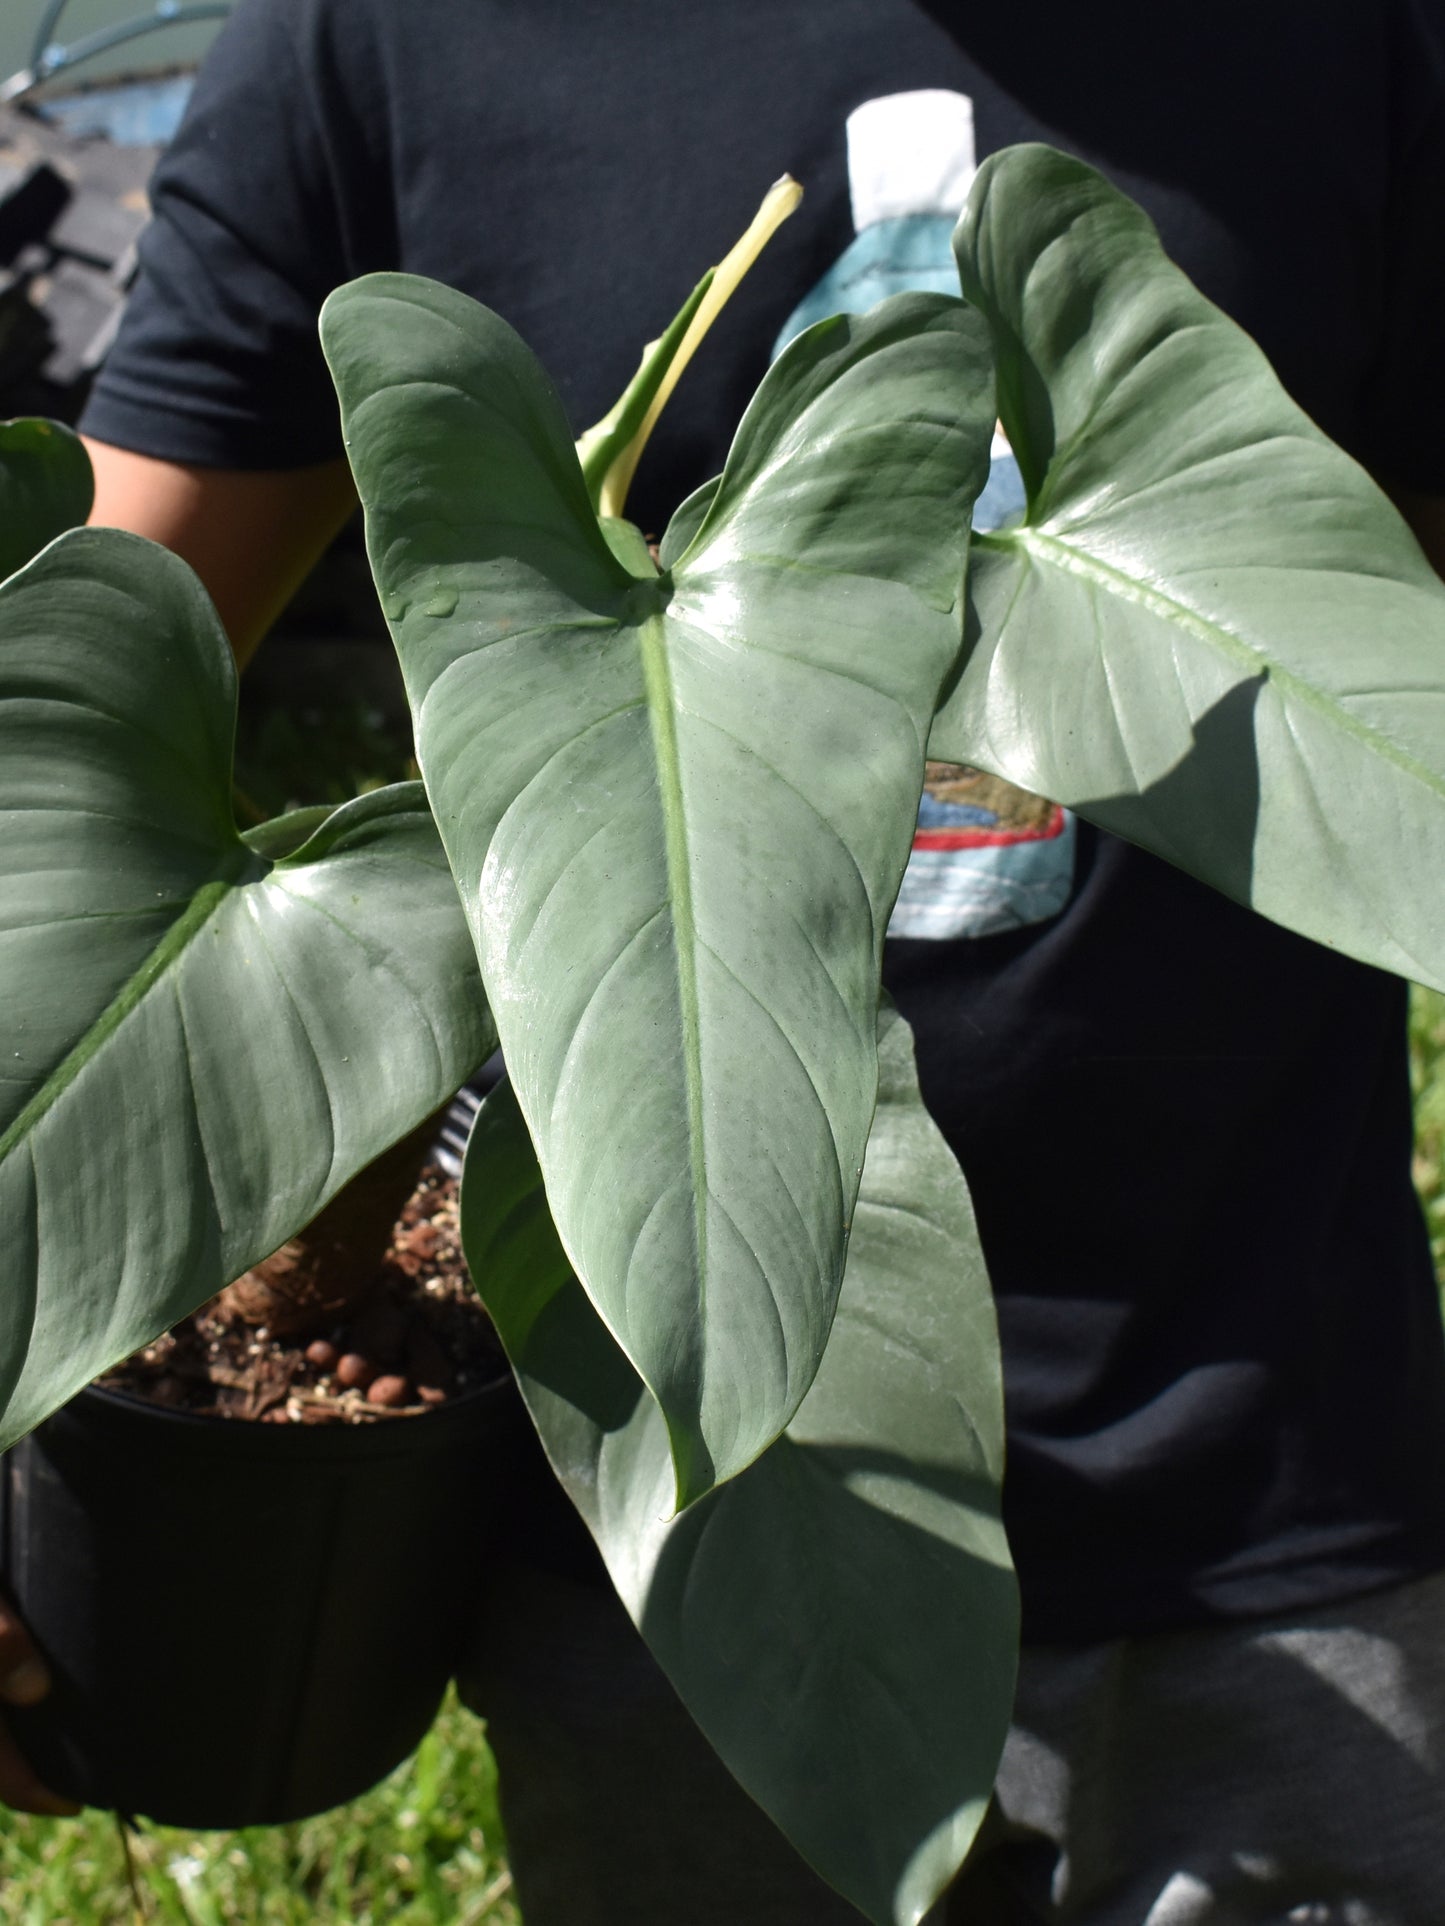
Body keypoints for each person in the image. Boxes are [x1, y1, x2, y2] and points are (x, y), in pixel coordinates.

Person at [8, 1, 1445, 1918]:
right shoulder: (377, 30)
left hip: (1278, 1471)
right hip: (667, 1510)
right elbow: (82, 747)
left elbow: (1375, 694)